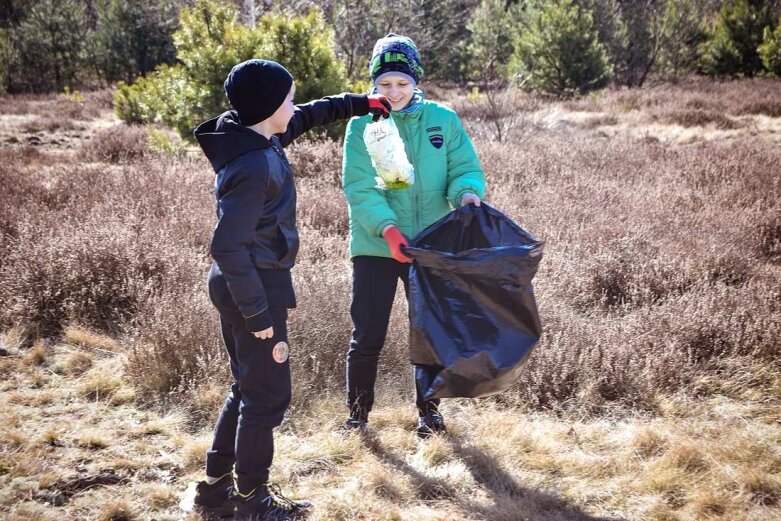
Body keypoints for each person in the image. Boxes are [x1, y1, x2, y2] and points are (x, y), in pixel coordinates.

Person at [191, 59, 391, 520]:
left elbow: (314, 113)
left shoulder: (259, 136)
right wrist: (260, 315)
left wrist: (363, 102)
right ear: (268, 107)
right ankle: (252, 500)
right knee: (267, 395)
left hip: (245, 286)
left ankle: (217, 488)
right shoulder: (254, 164)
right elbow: (227, 245)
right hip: (253, 289)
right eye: (288, 98)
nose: (294, 105)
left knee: (247, 386)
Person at [341, 34, 486, 438]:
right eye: (384, 84)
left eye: (402, 83)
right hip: (376, 246)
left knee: (429, 330)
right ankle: (357, 417)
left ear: (416, 81)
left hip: (431, 244)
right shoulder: (361, 126)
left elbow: (464, 169)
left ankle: (429, 413)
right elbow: (359, 187)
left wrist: (467, 194)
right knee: (367, 333)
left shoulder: (444, 120)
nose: (394, 92)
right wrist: (388, 231)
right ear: (373, 83)